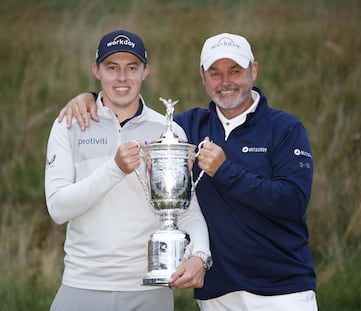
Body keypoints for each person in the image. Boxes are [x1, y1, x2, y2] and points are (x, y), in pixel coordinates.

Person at [59, 32, 318, 310]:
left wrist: (226, 171)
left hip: (282, 291)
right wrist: (90, 98)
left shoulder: (285, 128)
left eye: (235, 71)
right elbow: (134, 111)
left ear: (253, 70)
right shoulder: (187, 128)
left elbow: (292, 202)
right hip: (217, 294)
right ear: (203, 76)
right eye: (215, 73)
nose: (226, 82)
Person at [45, 29, 211, 311]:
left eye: (131, 67)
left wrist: (200, 255)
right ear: (96, 71)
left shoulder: (168, 131)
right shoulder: (69, 124)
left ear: (145, 71)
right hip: (82, 285)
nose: (122, 78)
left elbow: (187, 211)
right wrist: (115, 169)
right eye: (112, 68)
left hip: (149, 291)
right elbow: (58, 208)